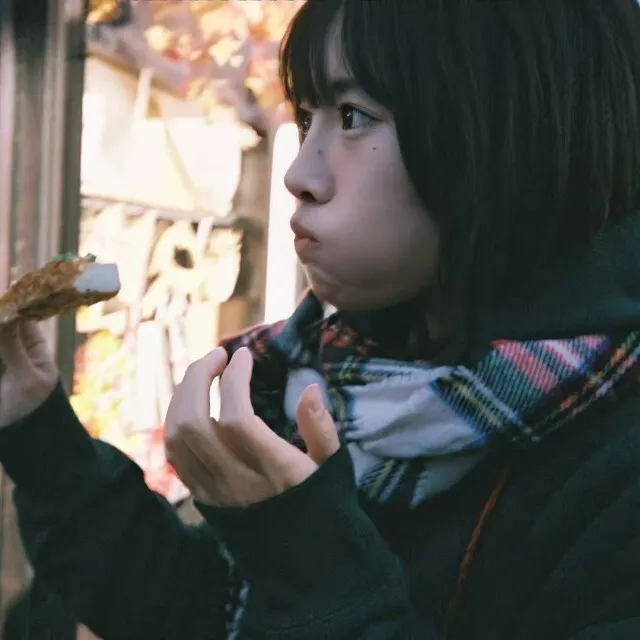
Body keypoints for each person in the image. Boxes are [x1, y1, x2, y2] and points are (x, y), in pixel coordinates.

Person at [1, 0, 640, 637]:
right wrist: (40, 432)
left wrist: (316, 571)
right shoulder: (337, 372)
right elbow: (200, 614)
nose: (299, 174)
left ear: (510, 135)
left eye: (353, 116)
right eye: (307, 119)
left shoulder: (614, 474)